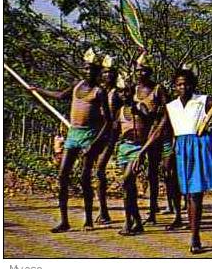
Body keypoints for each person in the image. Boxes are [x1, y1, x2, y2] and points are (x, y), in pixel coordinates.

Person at [133, 68, 212, 253]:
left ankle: (195, 237)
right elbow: (159, 130)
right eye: (179, 84)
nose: (183, 87)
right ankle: (193, 232)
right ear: (175, 87)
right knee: (188, 194)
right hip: (181, 148)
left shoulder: (203, 100)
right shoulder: (171, 106)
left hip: (198, 146)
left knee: (195, 194)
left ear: (193, 85)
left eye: (186, 83)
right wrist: (143, 150)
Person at [31, 48, 111, 232]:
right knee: (62, 176)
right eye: (86, 69)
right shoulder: (76, 86)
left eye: (92, 69)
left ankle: (89, 220)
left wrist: (94, 144)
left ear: (98, 73)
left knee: (85, 178)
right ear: (83, 70)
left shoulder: (99, 92)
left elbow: (108, 121)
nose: (88, 72)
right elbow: (59, 95)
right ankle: (64, 221)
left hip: (89, 135)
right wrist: (38, 90)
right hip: (73, 134)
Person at [133, 51, 167, 225]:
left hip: (154, 136)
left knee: (153, 172)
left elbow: (165, 112)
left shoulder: (157, 89)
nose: (141, 74)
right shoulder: (132, 89)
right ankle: (133, 212)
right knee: (132, 172)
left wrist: (158, 129)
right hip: (136, 136)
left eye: (144, 70)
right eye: (138, 70)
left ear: (150, 71)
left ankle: (153, 209)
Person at [113, 78, 149, 235]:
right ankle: (137, 221)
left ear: (132, 91)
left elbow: (150, 123)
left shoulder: (141, 106)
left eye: (126, 91)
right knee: (129, 188)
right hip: (124, 148)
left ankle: (128, 222)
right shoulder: (119, 111)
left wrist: (139, 112)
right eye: (120, 91)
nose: (123, 94)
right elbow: (115, 130)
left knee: (127, 180)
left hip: (138, 149)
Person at [94, 55, 123, 225]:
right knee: (95, 172)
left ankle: (103, 211)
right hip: (95, 134)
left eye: (111, 73)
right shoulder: (97, 90)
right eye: (105, 73)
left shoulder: (117, 94)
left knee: (99, 169)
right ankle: (102, 209)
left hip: (111, 134)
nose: (107, 76)